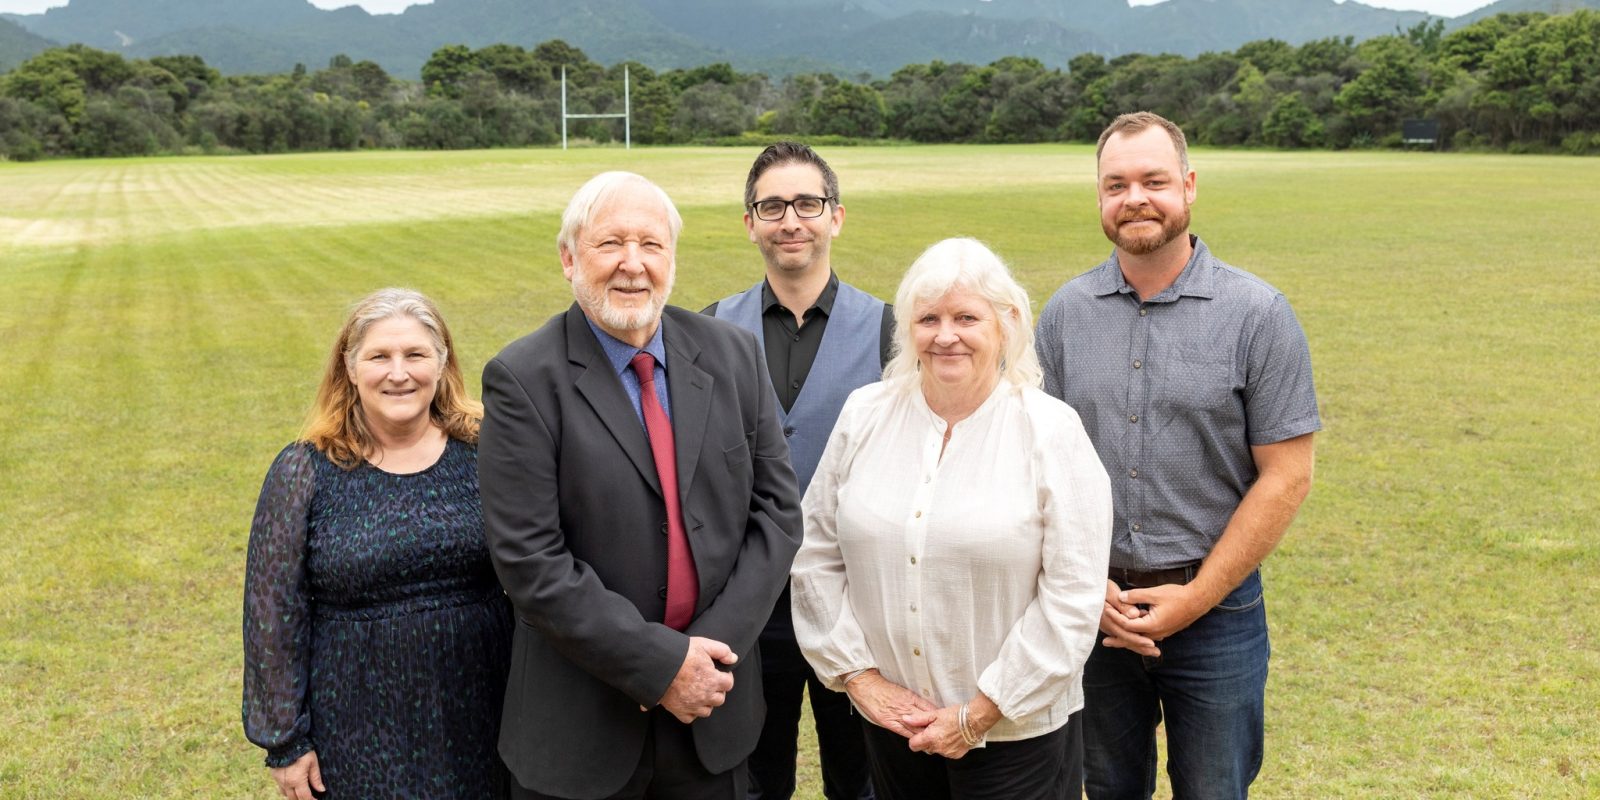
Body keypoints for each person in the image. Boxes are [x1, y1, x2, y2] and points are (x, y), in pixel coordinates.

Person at [478, 171, 804, 800]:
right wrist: (661, 667)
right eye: (610, 245)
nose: (633, 265)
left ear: (672, 259)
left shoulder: (733, 354)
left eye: (651, 245)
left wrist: (707, 658)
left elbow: (778, 514)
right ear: (569, 259)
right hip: (583, 733)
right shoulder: (523, 379)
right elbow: (530, 562)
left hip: (716, 716)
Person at [1034, 111, 1320, 800]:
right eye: (1117, 184)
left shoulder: (1258, 314)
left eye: (1154, 181)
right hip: (1092, 610)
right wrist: (1084, 586)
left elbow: (1287, 474)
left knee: (1215, 789)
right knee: (1105, 787)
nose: (1135, 198)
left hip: (1217, 614)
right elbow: (1034, 466)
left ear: (1188, 186)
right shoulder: (1065, 315)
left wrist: (1197, 597)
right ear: (1099, 197)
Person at [791, 237, 1113, 800]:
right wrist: (861, 681)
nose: (945, 335)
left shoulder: (1051, 431)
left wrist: (979, 713)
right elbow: (815, 552)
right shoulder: (864, 415)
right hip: (893, 728)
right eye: (928, 318)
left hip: (1016, 737)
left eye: (967, 317)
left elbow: (1073, 596)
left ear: (1006, 324)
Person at [242, 287, 513, 800]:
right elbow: (272, 611)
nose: (398, 373)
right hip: (358, 720)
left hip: (485, 700)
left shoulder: (487, 450)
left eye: (415, 354)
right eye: (379, 357)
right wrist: (285, 741)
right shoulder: (305, 470)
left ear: (442, 362)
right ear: (349, 367)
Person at [703, 141, 889, 800]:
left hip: (858, 601)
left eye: (807, 203)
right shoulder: (708, 331)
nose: (791, 220)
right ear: (749, 222)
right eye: (772, 206)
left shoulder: (889, 329)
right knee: (750, 780)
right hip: (747, 605)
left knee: (863, 777)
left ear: (835, 216)